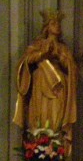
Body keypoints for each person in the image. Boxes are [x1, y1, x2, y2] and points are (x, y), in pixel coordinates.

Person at [13, 10, 77, 153]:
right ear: (47, 27)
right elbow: (26, 61)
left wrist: (59, 56)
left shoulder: (63, 48)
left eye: (58, 23)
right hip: (40, 87)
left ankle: (55, 150)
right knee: (40, 117)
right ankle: (38, 147)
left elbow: (72, 69)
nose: (57, 26)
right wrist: (42, 54)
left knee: (56, 119)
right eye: (53, 23)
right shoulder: (38, 45)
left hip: (58, 89)